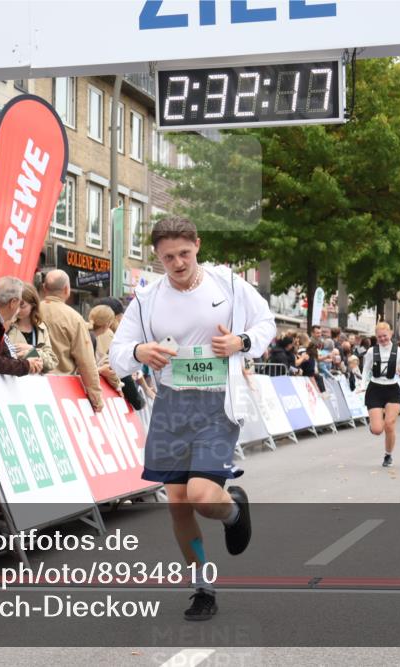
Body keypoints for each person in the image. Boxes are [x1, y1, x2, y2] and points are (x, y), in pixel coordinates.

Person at [108, 216, 276, 622]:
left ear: (197, 245)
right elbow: (117, 352)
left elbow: (265, 323)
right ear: (157, 257)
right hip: (170, 405)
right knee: (179, 505)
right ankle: (202, 587)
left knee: (202, 497)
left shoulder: (229, 285)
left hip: (216, 404)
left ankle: (233, 510)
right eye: (168, 257)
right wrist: (139, 353)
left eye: (184, 253)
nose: (178, 263)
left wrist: (242, 341)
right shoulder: (147, 300)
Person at [39, 270, 104, 412]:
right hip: (62, 389)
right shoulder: (74, 318)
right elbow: (86, 361)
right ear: (67, 289)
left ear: (44, 289)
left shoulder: (31, 312)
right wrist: (96, 397)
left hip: (30, 384)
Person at [360, 321, 400, 467]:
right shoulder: (372, 351)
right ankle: (374, 423)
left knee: (389, 425)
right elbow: (365, 370)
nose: (382, 339)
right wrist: (362, 385)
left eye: (385, 336)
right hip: (375, 389)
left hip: (392, 390)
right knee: (377, 430)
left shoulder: (399, 351)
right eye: (379, 337)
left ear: (390, 334)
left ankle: (388, 455)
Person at [6, 283, 58, 374]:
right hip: (13, 381)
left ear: (33, 305)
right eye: (15, 304)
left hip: (36, 382)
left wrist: (31, 350)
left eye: (22, 306)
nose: (17, 310)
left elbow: (51, 362)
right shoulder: (7, 325)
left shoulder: (41, 328)